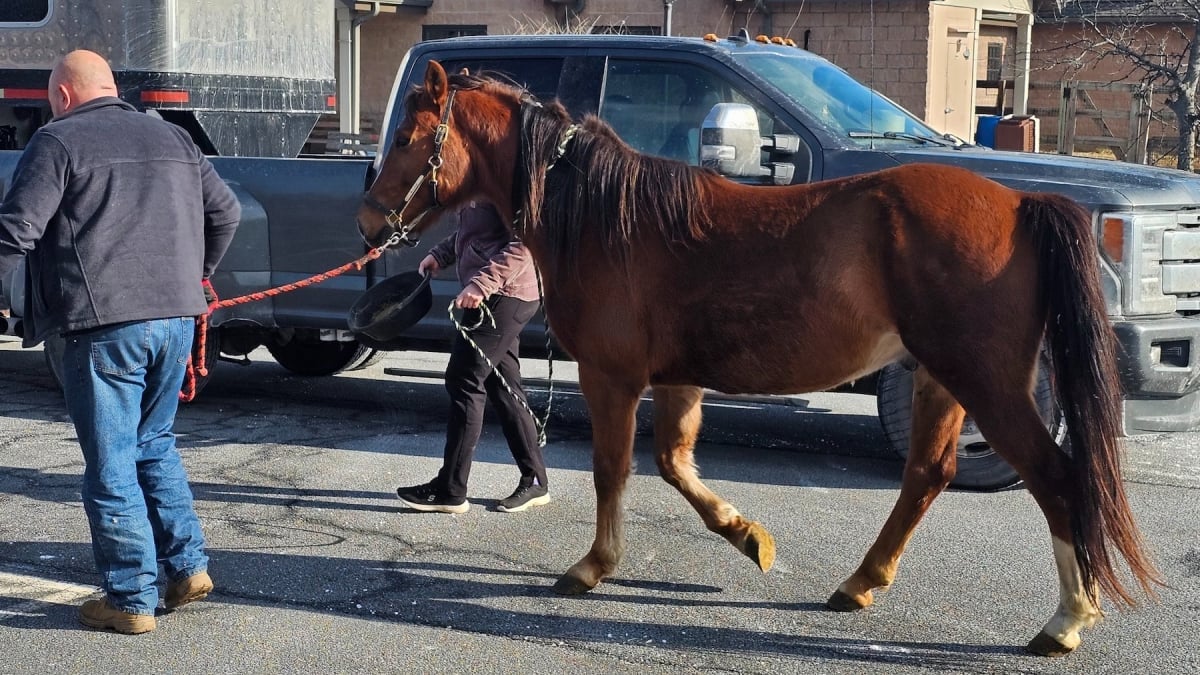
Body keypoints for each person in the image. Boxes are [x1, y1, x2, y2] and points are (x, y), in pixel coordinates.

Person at [0, 50, 240, 634]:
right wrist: (194, 276)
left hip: (104, 324)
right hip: (177, 318)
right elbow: (227, 212)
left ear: (61, 95)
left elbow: (17, 229)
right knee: (153, 442)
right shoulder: (175, 138)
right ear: (112, 87)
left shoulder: (57, 142)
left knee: (110, 464)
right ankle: (186, 567)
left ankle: (130, 597)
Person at [396, 201, 550, 514]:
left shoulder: (505, 181)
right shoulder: (479, 178)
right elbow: (477, 234)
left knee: (463, 379)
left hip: (504, 296)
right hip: (501, 295)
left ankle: (451, 490)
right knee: (503, 387)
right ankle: (535, 482)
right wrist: (441, 254)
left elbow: (525, 244)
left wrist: (482, 284)